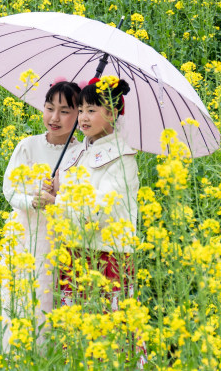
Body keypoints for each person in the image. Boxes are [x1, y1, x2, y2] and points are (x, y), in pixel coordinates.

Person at [36, 75, 140, 310]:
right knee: (75, 332)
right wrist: (54, 188)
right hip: (73, 250)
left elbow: (101, 211)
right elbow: (68, 194)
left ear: (112, 114)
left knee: (108, 331)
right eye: (81, 109)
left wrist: (56, 202)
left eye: (91, 110)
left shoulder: (122, 158)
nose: (82, 117)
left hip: (106, 255)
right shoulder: (77, 153)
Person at [0, 80, 82, 354]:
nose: (54, 118)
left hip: (57, 236)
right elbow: (9, 189)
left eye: (65, 111)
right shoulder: (28, 145)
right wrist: (34, 201)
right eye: (49, 108)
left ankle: (44, 359)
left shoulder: (79, 153)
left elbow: (81, 201)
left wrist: (57, 197)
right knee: (16, 295)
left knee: (47, 297)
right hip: (22, 234)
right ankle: (13, 357)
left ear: (80, 114)